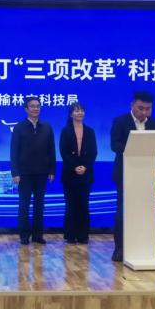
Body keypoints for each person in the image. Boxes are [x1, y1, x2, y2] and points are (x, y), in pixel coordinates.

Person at [110, 91, 155, 262]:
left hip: (148, 177)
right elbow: (115, 145)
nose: (144, 112)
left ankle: (144, 246)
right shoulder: (120, 122)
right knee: (123, 212)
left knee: (146, 211)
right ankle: (120, 247)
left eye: (148, 109)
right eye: (140, 108)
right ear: (132, 105)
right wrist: (136, 147)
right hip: (125, 174)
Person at [10, 97, 56, 245]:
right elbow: (14, 151)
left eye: (38, 106)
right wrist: (15, 172)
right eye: (32, 106)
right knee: (24, 205)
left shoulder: (47, 127)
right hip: (24, 174)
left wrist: (52, 170)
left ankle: (37, 235)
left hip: (42, 172)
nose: (36, 109)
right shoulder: (19, 127)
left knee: (39, 205)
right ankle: (24, 235)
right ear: (26, 109)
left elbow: (51, 150)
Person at [59, 102, 97, 244]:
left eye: (81, 110)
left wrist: (85, 166)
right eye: (76, 110)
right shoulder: (65, 131)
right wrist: (75, 166)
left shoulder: (90, 131)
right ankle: (70, 235)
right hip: (69, 173)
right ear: (71, 114)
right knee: (71, 205)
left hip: (86, 175)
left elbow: (93, 152)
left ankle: (83, 235)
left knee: (83, 204)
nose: (80, 112)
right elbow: (64, 152)